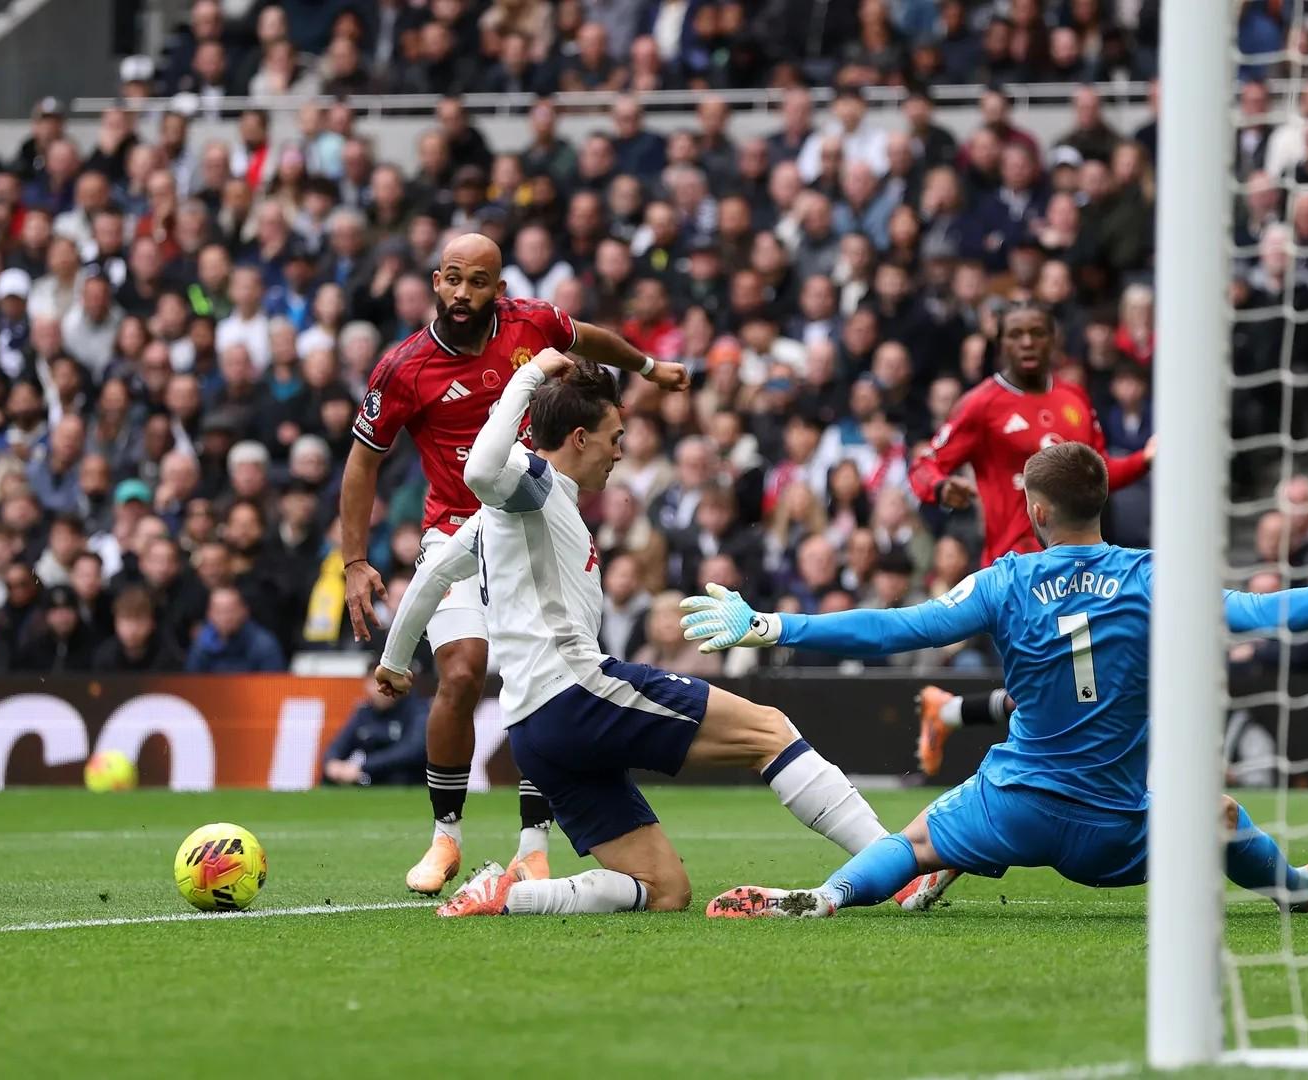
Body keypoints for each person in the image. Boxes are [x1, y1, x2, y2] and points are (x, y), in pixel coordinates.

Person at [680, 442, 1308, 919]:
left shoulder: (1004, 580)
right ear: (1104, 505)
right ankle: (1300, 887)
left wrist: (772, 625)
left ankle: (829, 897)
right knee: (1218, 811)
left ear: (1032, 509)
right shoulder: (1152, 576)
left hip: (1018, 807)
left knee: (915, 838)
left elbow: (899, 629)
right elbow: (1267, 615)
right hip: (1115, 825)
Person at [375, 349, 887, 918]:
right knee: (770, 730)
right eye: (614, 437)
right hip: (575, 693)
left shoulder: (505, 516)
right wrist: (528, 374)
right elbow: (478, 471)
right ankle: (893, 864)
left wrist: (396, 661)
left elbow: (434, 573)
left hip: (532, 731)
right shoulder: (533, 481)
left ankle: (509, 896)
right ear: (578, 438)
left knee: (664, 890)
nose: (619, 452)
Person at [340, 232, 689, 895]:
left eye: (477, 282)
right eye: (451, 279)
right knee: (464, 669)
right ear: (436, 282)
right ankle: (446, 834)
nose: (462, 293)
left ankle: (534, 844)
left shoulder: (533, 323)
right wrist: (355, 559)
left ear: (498, 290)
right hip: (453, 530)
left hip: (528, 522)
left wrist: (648, 367)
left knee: (545, 674)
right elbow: (363, 460)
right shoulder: (403, 368)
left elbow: (588, 338)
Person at [907, 300, 1156, 792]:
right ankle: (1006, 796)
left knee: (1071, 685)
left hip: (1077, 561)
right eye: (1016, 334)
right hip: (1017, 566)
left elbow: (1099, 472)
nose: (1026, 343)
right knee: (1072, 686)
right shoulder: (982, 403)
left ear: (1052, 340)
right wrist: (939, 488)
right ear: (1001, 342)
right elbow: (924, 464)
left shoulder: (1074, 399)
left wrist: (1146, 458)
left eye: (1036, 333)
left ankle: (950, 716)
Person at [322, 681, 431, 786]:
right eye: (376, 683)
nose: (382, 690)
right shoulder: (363, 713)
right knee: (330, 778)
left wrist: (364, 766)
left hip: (405, 779)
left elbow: (412, 750)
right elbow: (339, 744)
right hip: (368, 778)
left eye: (387, 684)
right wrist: (333, 763)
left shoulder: (417, 709)